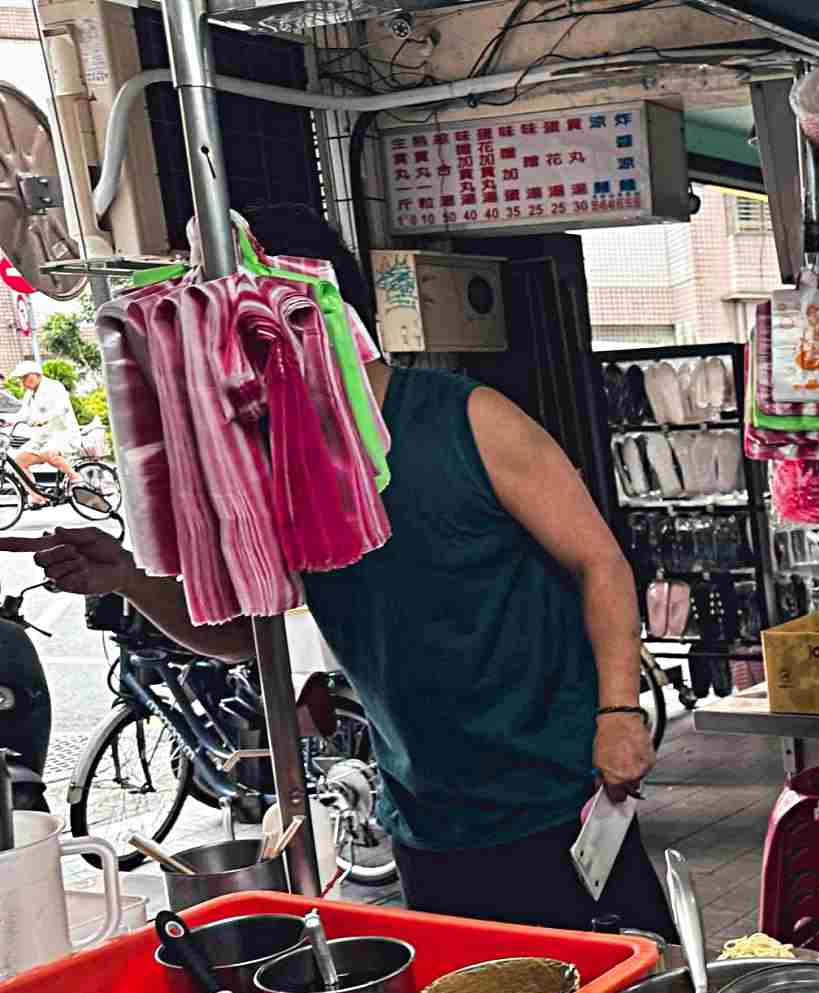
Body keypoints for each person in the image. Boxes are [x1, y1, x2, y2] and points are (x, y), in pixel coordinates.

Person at [4, 204, 674, 937]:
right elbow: (243, 638)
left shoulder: (470, 420)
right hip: (425, 817)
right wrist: (127, 577)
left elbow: (600, 561)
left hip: (559, 792)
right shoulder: (277, 467)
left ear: (311, 311)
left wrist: (618, 713)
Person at [9, 360, 83, 501]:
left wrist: (45, 418)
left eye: (25, 377)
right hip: (43, 438)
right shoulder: (29, 395)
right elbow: (23, 415)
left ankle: (75, 477)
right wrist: (7, 421)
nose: (23, 381)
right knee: (18, 463)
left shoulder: (54, 387)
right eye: (21, 378)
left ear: (36, 375)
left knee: (50, 454)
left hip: (63, 434)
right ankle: (38, 497)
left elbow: (63, 408)